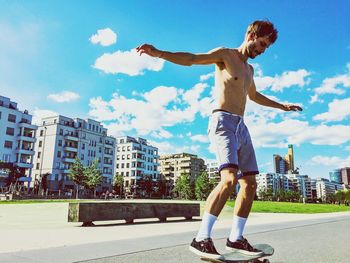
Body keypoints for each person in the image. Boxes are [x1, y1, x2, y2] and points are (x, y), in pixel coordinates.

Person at [137, 20, 302, 259]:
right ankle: (201, 238)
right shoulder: (225, 55)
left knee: (250, 184)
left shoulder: (249, 70)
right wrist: (159, 53)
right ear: (251, 34)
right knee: (229, 180)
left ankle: (236, 238)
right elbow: (192, 59)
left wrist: (282, 106)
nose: (263, 50)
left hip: (241, 127)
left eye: (266, 47)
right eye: (262, 43)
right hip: (222, 122)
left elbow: (254, 96)